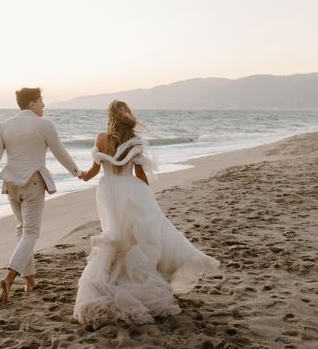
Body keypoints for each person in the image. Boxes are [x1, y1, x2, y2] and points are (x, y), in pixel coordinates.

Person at [73, 100, 220, 326]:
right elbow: (140, 173)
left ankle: (114, 278)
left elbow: (93, 171)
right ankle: (134, 278)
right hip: (132, 190)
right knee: (136, 235)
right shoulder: (135, 142)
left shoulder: (101, 138)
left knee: (115, 234)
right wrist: (148, 196)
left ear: (110, 117)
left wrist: (81, 175)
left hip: (109, 190)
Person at [0, 87, 82, 302]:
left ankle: (29, 281)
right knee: (30, 233)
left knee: (22, 230)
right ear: (31, 104)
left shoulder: (4, 126)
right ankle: (9, 278)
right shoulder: (45, 125)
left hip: (11, 185)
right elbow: (59, 152)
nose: (44, 105)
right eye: (41, 101)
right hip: (33, 183)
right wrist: (78, 173)